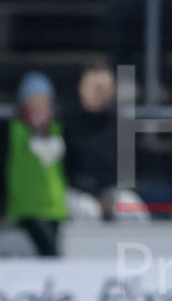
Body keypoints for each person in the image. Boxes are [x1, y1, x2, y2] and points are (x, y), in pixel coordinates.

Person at [64, 61, 149, 221]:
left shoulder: (120, 123)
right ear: (81, 88)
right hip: (75, 192)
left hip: (111, 190)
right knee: (88, 211)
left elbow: (127, 171)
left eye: (104, 88)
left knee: (132, 211)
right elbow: (66, 170)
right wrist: (94, 195)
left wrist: (107, 195)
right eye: (94, 87)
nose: (99, 93)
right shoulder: (67, 121)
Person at [2, 72, 67, 256]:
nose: (39, 103)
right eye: (33, 98)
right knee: (48, 254)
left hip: (55, 207)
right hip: (27, 207)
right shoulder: (12, 129)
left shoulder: (57, 128)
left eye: (43, 98)